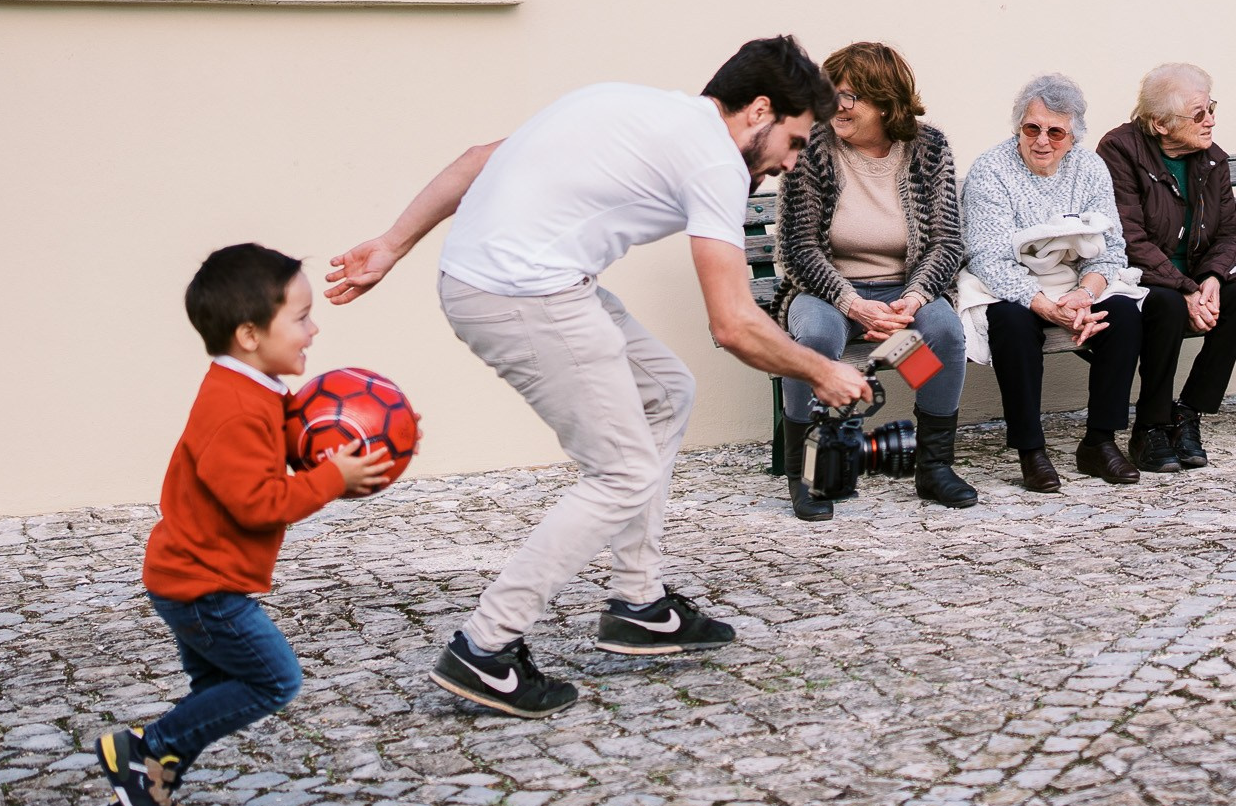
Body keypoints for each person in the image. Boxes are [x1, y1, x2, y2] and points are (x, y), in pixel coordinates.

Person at [325, 37, 871, 720]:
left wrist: (391, 244)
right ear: (760, 109)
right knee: (621, 471)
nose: (792, 163)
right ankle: (485, 646)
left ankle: (638, 602)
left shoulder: (635, 105)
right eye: (793, 141)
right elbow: (733, 323)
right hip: (521, 291)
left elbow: (478, 159)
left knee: (667, 391)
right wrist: (824, 370)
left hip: (518, 278)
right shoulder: (714, 161)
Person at [94, 245, 393, 806]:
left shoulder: (255, 391)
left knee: (214, 697)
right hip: (204, 588)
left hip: (200, 576)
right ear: (250, 334)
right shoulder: (234, 409)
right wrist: (333, 479)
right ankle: (141, 751)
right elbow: (257, 502)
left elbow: (280, 447)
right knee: (272, 681)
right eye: (302, 317)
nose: (315, 328)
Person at [771, 42, 974, 520]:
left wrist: (913, 300)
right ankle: (809, 474)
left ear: (884, 100)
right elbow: (797, 249)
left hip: (901, 296)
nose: (833, 108)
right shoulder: (814, 147)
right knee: (816, 339)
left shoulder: (928, 148)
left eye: (847, 98)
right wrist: (852, 304)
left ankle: (933, 466)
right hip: (828, 292)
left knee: (942, 332)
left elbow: (947, 242)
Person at [961, 74, 1147, 490]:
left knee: (1123, 315)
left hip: (1075, 283)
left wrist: (1084, 295)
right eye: (1032, 128)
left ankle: (1099, 442)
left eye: (1055, 132)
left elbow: (1111, 248)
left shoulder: (1090, 168)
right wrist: (1043, 304)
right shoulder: (991, 170)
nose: (1042, 140)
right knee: (1011, 324)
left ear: (1073, 136)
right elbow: (987, 257)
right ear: (1019, 128)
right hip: (1011, 284)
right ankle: (1032, 451)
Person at [1098, 63, 1236, 474]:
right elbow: (1127, 239)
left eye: (1210, 107)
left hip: (1195, 278)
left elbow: (1234, 237)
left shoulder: (1211, 160)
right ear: (1160, 123)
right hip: (1139, 280)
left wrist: (1211, 280)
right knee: (1168, 306)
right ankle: (1151, 425)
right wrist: (1185, 289)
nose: (1210, 119)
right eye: (1198, 114)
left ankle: (1188, 413)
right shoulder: (1119, 151)